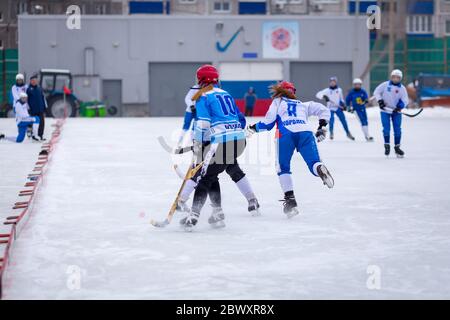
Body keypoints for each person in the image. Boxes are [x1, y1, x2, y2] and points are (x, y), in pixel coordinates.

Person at [247, 81, 334, 218]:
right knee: (314, 162)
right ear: (293, 92)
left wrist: (253, 128)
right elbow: (323, 110)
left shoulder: (277, 102)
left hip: (285, 134)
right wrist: (321, 127)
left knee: (283, 168)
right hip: (305, 132)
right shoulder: (302, 104)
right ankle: (319, 168)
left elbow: (268, 124)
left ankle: (290, 201)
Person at [177, 82, 260, 220]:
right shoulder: (223, 95)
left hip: (216, 142)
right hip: (231, 140)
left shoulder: (204, 98)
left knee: (205, 175)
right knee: (230, 169)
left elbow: (201, 125)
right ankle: (250, 200)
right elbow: (241, 119)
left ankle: (194, 212)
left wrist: (199, 143)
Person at [373, 69, 409, 158]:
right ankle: (387, 145)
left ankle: (397, 147)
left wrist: (400, 106)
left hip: (396, 112)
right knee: (386, 129)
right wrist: (380, 101)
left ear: (400, 78)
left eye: (398, 77)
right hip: (385, 111)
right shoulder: (385, 85)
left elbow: (405, 100)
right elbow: (376, 92)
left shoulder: (402, 88)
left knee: (397, 130)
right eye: (394, 77)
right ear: (391, 77)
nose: (395, 79)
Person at [316, 76, 355, 141]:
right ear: (329, 83)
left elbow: (341, 99)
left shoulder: (339, 90)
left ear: (336, 82)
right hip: (330, 108)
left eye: (334, 82)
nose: (332, 83)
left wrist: (343, 105)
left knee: (343, 121)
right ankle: (331, 133)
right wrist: (324, 96)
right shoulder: (327, 90)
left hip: (338, 108)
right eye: (331, 82)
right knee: (331, 121)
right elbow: (318, 94)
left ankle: (348, 133)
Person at [26, 74, 47, 141]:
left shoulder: (39, 88)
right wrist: (28, 108)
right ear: (30, 81)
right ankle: (33, 136)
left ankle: (40, 135)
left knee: (41, 123)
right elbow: (26, 100)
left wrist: (45, 107)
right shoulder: (28, 89)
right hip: (33, 110)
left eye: (35, 80)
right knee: (34, 124)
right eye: (32, 80)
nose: (34, 82)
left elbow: (43, 98)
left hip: (40, 109)